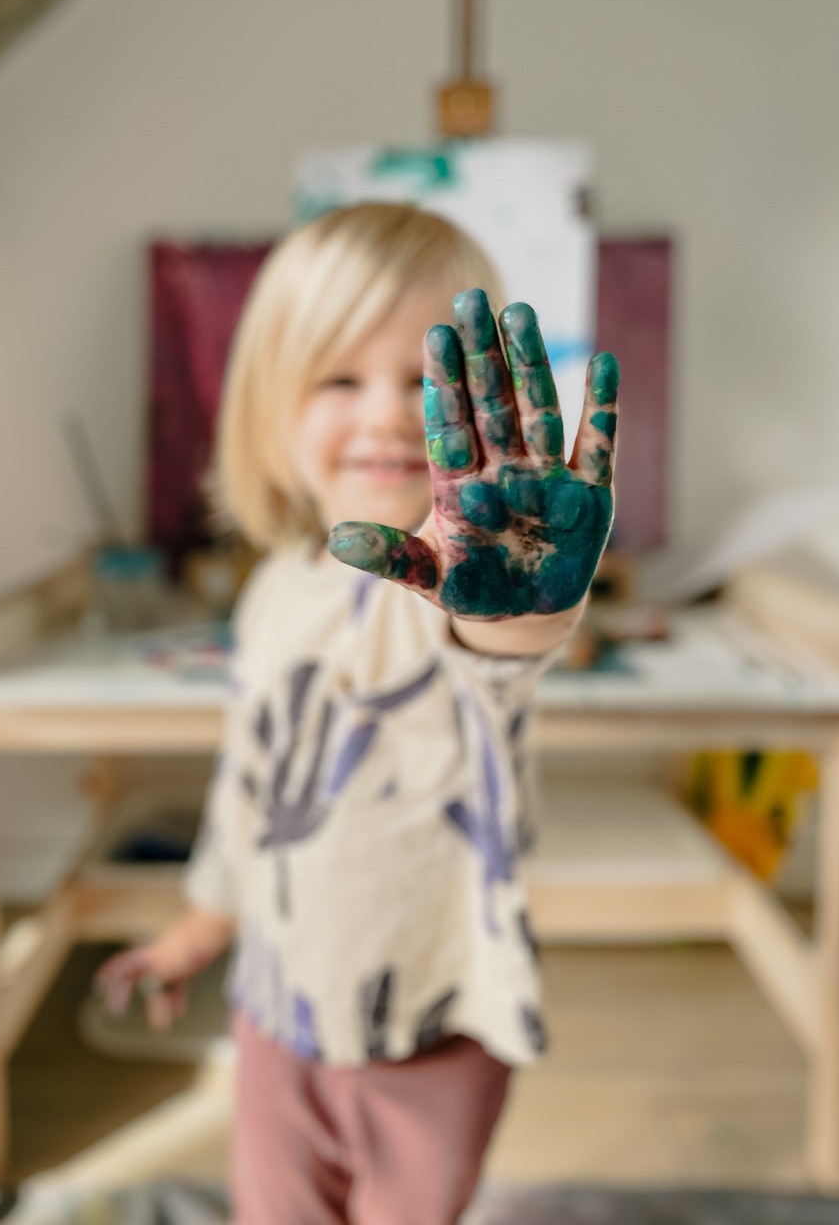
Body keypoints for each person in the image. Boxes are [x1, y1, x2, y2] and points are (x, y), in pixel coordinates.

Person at [96, 202, 619, 1224]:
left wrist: (524, 605)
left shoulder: (452, 593)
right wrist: (201, 923)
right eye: (340, 377)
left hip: (430, 1029)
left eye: (423, 385)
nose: (384, 413)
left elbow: (500, 656)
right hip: (278, 1014)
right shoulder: (275, 591)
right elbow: (254, 785)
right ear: (267, 408)